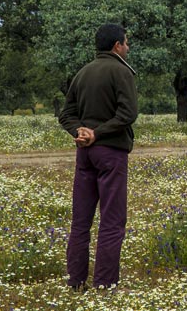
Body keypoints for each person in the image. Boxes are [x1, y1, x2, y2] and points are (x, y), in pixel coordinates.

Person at [59, 23, 138, 291]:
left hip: (84, 154)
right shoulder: (121, 71)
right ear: (117, 45)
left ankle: (76, 281)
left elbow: (65, 114)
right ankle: (105, 283)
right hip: (111, 152)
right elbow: (128, 114)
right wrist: (97, 133)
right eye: (126, 43)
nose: (128, 47)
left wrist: (79, 131)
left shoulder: (82, 73)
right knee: (112, 220)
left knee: (81, 221)